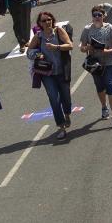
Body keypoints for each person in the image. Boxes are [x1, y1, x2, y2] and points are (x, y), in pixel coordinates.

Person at [27, 10, 73, 141]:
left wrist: (56, 47)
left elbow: (70, 45)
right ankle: (61, 126)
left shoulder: (59, 31)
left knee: (66, 97)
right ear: (39, 24)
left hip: (62, 71)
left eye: (49, 19)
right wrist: (36, 55)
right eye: (44, 21)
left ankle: (67, 114)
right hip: (47, 74)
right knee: (54, 99)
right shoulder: (38, 36)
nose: (47, 22)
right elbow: (29, 51)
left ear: (52, 20)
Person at [79, 3, 112, 127]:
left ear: (104, 16)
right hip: (94, 64)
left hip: (109, 62)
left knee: (110, 86)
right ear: (92, 17)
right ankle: (104, 106)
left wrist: (108, 51)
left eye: (99, 15)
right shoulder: (87, 29)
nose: (97, 17)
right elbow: (82, 47)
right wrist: (87, 47)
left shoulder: (110, 28)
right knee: (100, 87)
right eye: (95, 15)